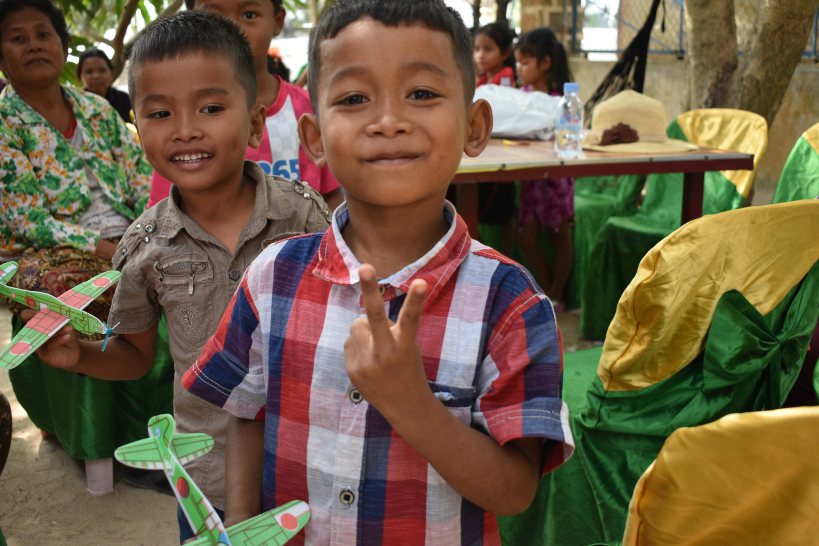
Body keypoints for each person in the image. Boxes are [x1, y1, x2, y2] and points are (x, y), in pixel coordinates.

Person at [183, 1, 574, 543]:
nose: (389, 121)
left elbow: (514, 491)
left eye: (421, 93)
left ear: (474, 125)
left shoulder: (511, 304)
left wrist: (412, 405)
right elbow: (246, 414)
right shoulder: (272, 277)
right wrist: (242, 527)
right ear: (315, 138)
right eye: (354, 99)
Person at [32, 10, 330, 542]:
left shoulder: (304, 218)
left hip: (311, 471)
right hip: (205, 481)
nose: (186, 129)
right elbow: (135, 358)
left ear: (256, 122)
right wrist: (78, 354)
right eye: (160, 113)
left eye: (211, 107)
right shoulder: (144, 248)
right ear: (138, 125)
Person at [0, 0, 167, 493]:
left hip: (127, 233)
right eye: (17, 37)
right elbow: (21, 216)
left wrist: (151, 227)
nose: (33, 44)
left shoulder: (97, 108)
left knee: (194, 267)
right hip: (38, 251)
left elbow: (143, 178)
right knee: (82, 295)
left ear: (62, 46)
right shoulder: (4, 121)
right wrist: (101, 247)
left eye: (43, 34)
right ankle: (108, 450)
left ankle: (176, 433)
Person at [147, 0, 343, 212]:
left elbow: (332, 194)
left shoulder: (309, 109)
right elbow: (163, 210)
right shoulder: (181, 127)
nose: (232, 28)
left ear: (277, 21)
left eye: (249, 15)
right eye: (215, 17)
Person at [513, 27, 575, 309]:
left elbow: (568, 136)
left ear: (546, 63)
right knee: (526, 236)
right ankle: (549, 287)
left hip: (558, 174)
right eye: (517, 61)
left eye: (525, 62)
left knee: (560, 232)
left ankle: (558, 293)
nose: (519, 68)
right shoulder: (521, 96)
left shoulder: (564, 99)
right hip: (531, 174)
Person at [472, 21, 517, 255]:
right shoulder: (481, 80)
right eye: (476, 48)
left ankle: (506, 254)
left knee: (502, 211)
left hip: (503, 152)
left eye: (487, 49)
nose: (480, 55)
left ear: (505, 53)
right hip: (486, 150)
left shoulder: (506, 79)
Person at [76, 47, 132, 123]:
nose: (96, 76)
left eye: (102, 70)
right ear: (80, 77)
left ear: (111, 73)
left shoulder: (124, 100)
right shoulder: (75, 104)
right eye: (89, 72)